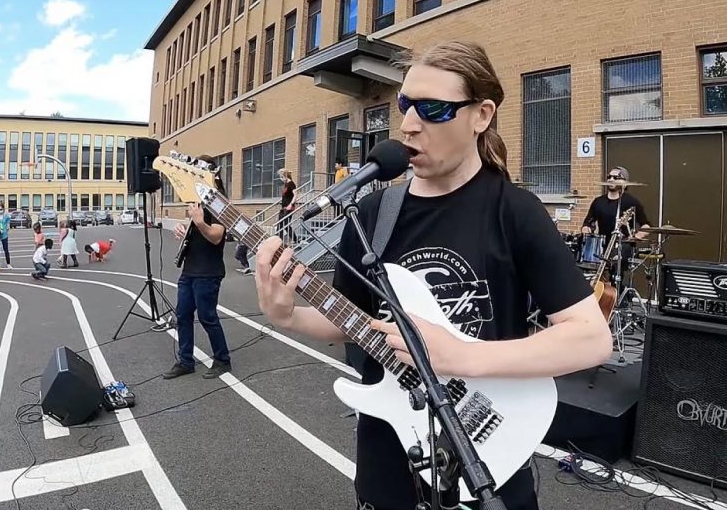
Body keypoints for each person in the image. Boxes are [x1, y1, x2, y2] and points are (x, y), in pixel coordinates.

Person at [253, 41, 612, 510]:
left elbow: (590, 339)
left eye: (433, 109)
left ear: (481, 115)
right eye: (405, 104)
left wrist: (461, 356)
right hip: (388, 468)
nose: (408, 123)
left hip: (489, 462)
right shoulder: (374, 212)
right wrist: (287, 315)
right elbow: (353, 320)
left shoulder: (514, 211)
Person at [163, 158, 232, 380]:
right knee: (182, 315)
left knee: (207, 317)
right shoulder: (197, 201)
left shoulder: (219, 204)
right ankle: (185, 361)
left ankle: (222, 360)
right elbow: (197, 231)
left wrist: (200, 222)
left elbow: (216, 236)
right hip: (190, 269)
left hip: (208, 271)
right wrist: (183, 229)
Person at [582, 166, 651, 289]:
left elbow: (646, 225)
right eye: (609, 177)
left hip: (622, 245)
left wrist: (634, 237)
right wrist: (586, 229)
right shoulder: (598, 202)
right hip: (602, 246)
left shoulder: (631, 202)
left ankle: (616, 291)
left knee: (615, 270)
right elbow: (587, 223)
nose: (611, 179)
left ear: (624, 182)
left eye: (616, 177)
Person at [276, 168, 298, 243]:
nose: (281, 179)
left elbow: (295, 195)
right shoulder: (286, 184)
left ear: (285, 176)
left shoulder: (291, 184)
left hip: (289, 208)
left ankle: (296, 240)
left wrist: (291, 204)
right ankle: (278, 240)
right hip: (284, 207)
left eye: (282, 177)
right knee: (280, 224)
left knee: (285, 224)